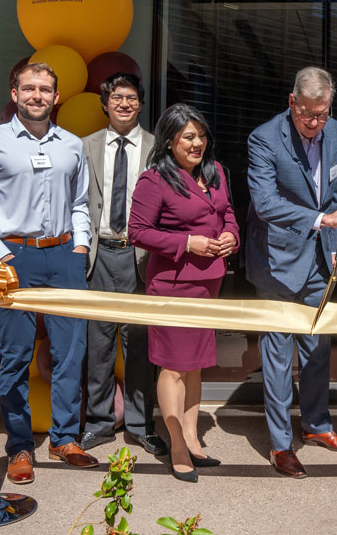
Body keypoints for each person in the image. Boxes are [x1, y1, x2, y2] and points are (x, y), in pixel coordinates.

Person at [0, 62, 97, 485]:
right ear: (14, 93)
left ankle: (64, 438)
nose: (37, 95)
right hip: (12, 255)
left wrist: (79, 246)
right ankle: (19, 446)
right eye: (29, 88)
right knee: (16, 356)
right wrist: (0, 253)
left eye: (45, 89)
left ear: (57, 97)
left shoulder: (72, 145)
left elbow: (80, 202)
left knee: (70, 351)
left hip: (63, 255)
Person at [245, 67, 337, 479]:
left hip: (319, 258)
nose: (314, 123)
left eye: (322, 114)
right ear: (292, 102)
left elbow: (334, 195)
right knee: (277, 357)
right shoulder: (263, 138)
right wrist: (321, 220)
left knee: (317, 349)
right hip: (276, 260)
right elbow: (265, 203)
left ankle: (316, 426)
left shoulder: (334, 132)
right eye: (307, 114)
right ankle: (281, 443)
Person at [128, 102, 239, 483]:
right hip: (172, 285)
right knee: (173, 366)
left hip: (209, 283)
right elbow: (138, 232)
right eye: (189, 137)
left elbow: (228, 216)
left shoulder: (218, 172)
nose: (197, 144)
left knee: (195, 364)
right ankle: (175, 443)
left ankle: (192, 438)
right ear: (170, 140)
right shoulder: (154, 179)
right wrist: (186, 242)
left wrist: (231, 236)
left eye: (201, 136)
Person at [78, 73, 168, 458]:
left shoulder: (156, 148)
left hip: (140, 256)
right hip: (100, 254)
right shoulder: (86, 146)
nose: (124, 104)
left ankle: (140, 425)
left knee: (139, 346)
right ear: (105, 102)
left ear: (141, 104)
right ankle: (98, 424)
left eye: (131, 97)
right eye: (117, 97)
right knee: (98, 344)